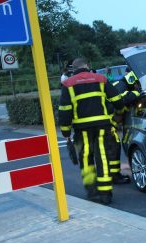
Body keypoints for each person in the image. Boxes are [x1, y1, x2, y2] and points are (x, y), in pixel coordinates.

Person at [59, 58, 125, 205]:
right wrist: (119, 112)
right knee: (102, 157)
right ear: (88, 66)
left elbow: (64, 111)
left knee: (86, 160)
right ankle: (106, 194)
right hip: (103, 126)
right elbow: (116, 99)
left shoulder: (68, 84)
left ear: (73, 69)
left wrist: (65, 132)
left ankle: (92, 192)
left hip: (81, 130)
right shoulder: (100, 79)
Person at [108, 70, 142, 184]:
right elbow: (122, 99)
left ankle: (113, 175)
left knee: (112, 148)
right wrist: (138, 93)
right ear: (133, 82)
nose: (137, 86)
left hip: (107, 121)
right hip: (107, 122)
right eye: (137, 85)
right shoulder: (122, 87)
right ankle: (114, 176)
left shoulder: (120, 84)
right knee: (113, 147)